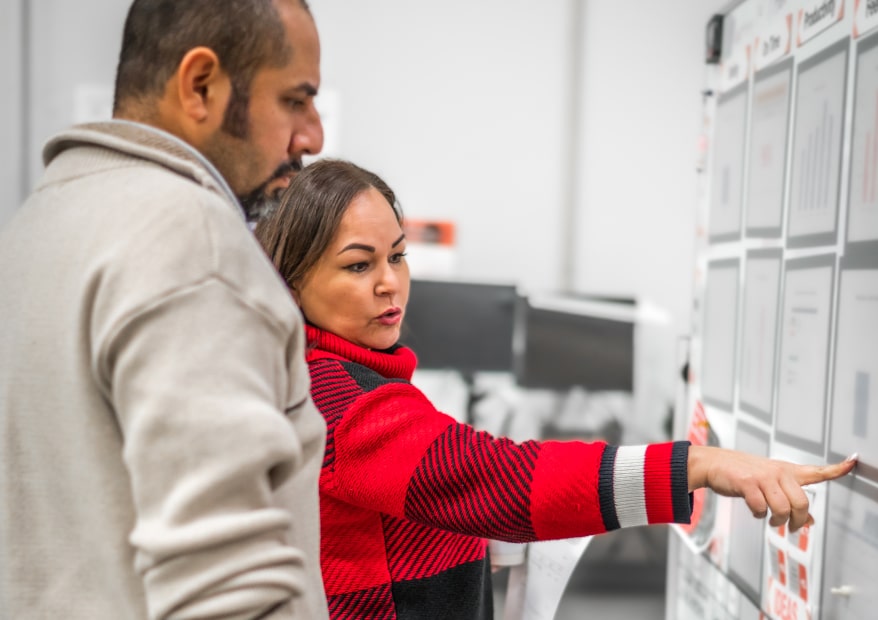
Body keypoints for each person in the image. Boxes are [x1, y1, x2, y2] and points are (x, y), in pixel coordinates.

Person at [254, 158, 858, 619]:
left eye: (398, 256)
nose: (391, 283)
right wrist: (696, 466)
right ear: (294, 279)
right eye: (359, 266)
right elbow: (490, 480)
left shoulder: (333, 375)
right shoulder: (339, 399)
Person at [0, 1, 329, 618]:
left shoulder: (37, 223)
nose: (313, 135)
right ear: (200, 85)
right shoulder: (192, 242)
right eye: (294, 100)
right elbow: (225, 590)